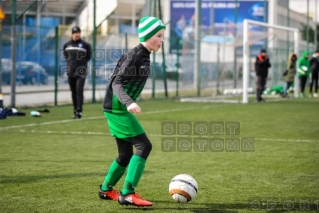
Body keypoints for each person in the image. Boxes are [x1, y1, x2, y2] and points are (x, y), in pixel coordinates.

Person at [98, 16, 166, 207]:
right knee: (144, 146)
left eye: (162, 36)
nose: (162, 40)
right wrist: (128, 103)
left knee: (125, 154)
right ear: (148, 35)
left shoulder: (144, 54)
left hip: (116, 107)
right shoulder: (135, 55)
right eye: (159, 36)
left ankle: (105, 189)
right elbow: (117, 83)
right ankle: (127, 193)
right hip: (117, 108)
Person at [63, 26, 92, 119]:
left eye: (78, 32)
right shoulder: (67, 45)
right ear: (72, 34)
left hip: (81, 71)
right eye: (75, 33)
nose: (77, 34)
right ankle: (75, 109)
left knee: (79, 90)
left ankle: (79, 110)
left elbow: (88, 57)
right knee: (73, 91)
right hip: (71, 71)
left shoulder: (85, 45)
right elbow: (66, 56)